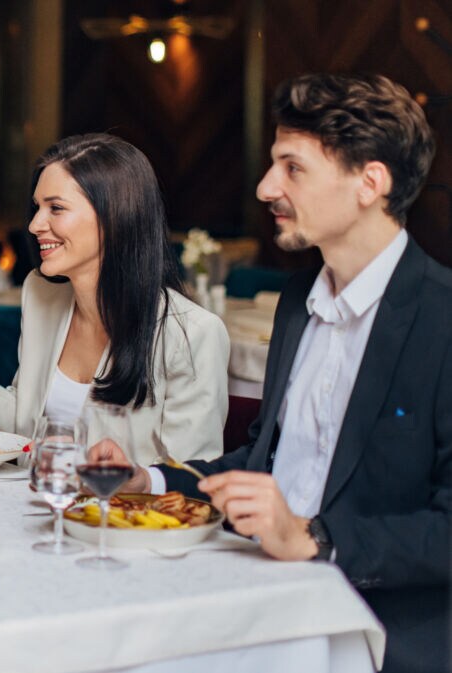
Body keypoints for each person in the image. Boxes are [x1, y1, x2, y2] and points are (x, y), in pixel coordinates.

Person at [98, 73, 449, 673]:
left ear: (370, 182)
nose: (265, 187)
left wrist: (315, 538)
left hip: (370, 626)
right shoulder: (297, 301)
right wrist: (148, 482)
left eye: (293, 167)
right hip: (261, 587)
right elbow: (264, 463)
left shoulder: (441, 319)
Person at [0, 134, 229, 465]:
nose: (34, 224)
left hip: (117, 516)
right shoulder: (43, 295)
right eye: (37, 207)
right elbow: (26, 426)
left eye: (56, 208)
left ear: (114, 217)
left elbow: (189, 484)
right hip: (40, 506)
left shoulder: (193, 334)